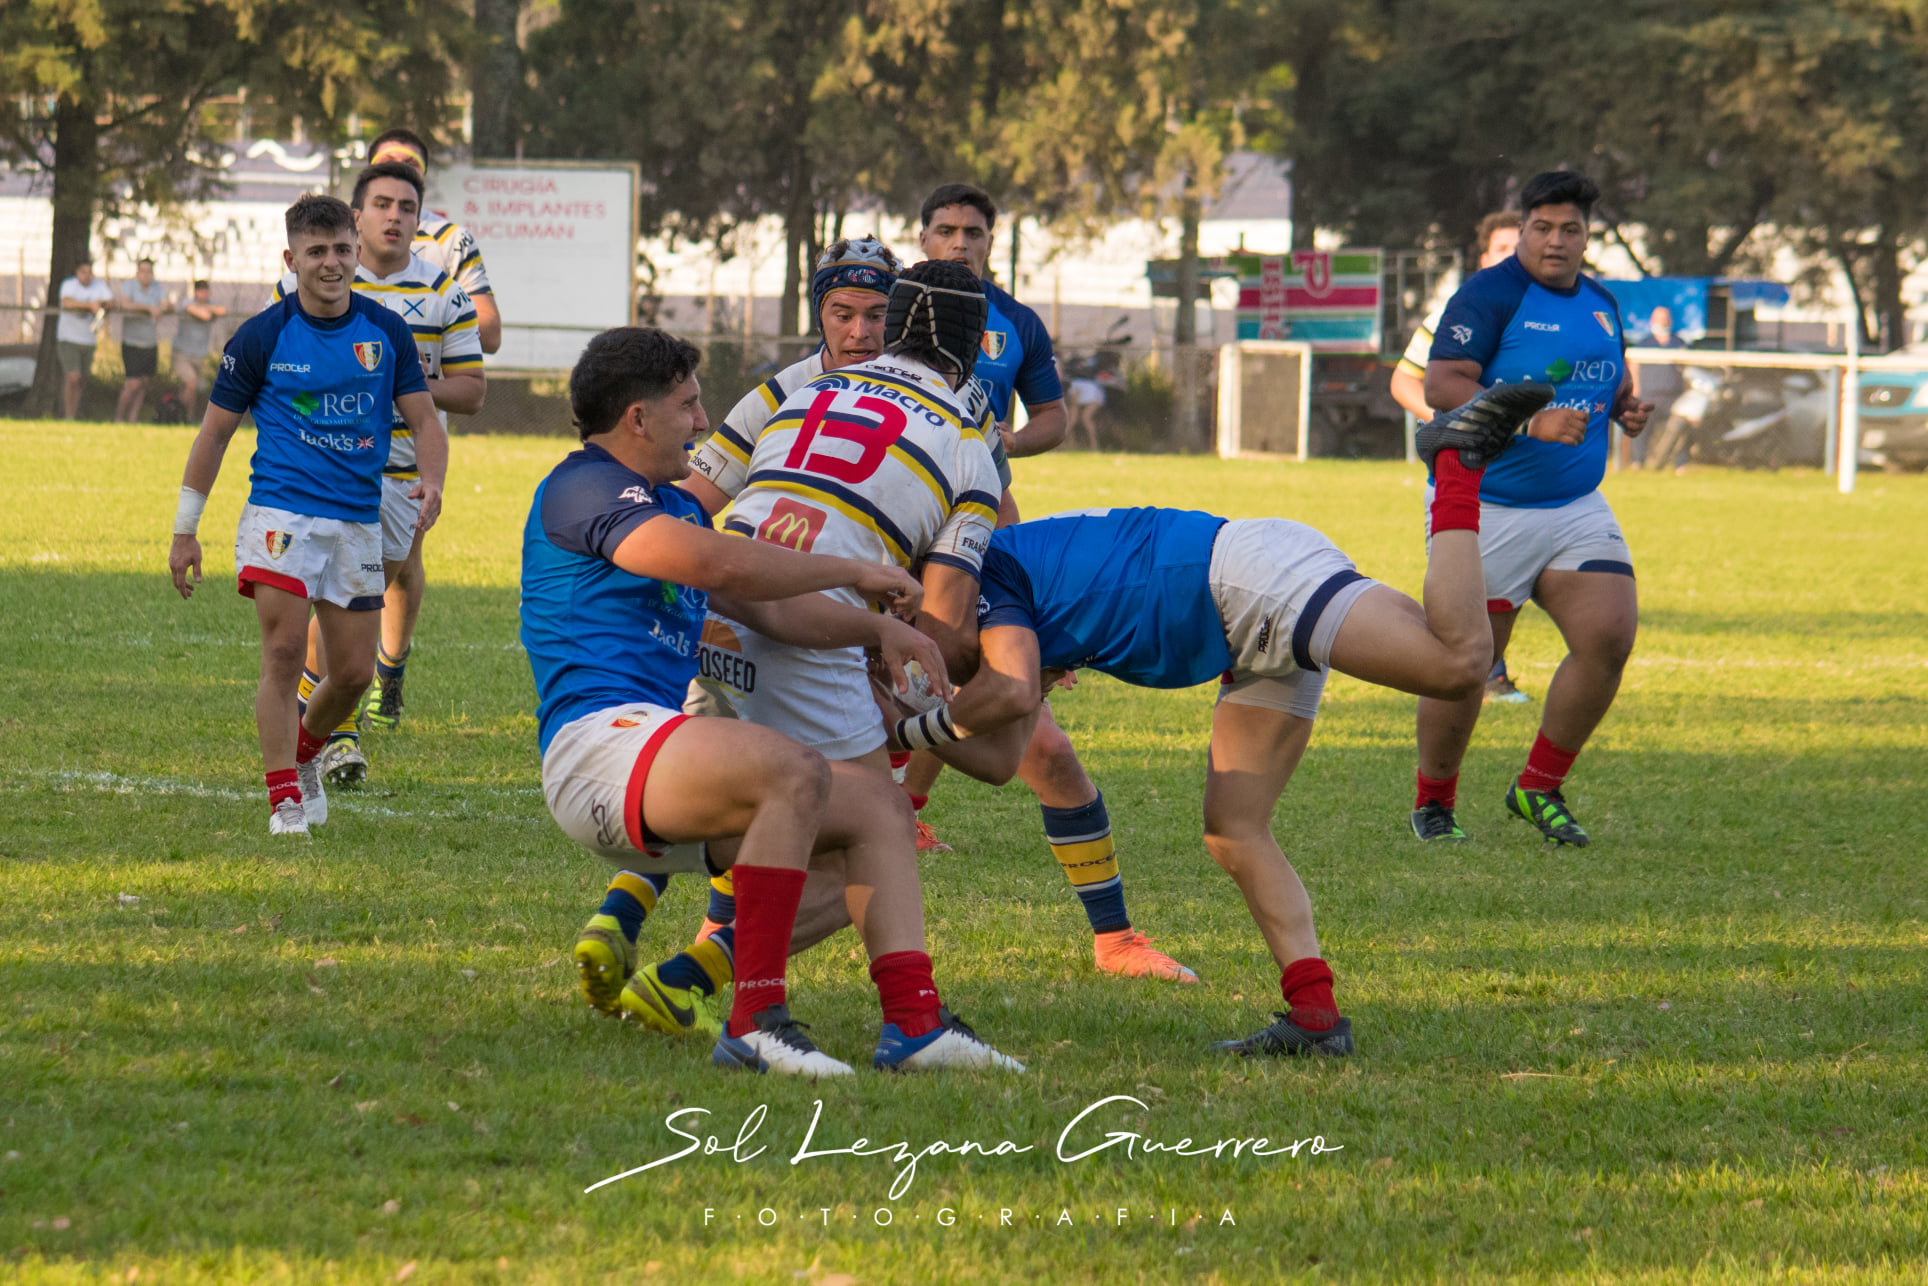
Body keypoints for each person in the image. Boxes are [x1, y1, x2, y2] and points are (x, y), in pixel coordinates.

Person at [880, 384, 1553, 1056]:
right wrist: (906, 726)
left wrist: (894, 728)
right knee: (1234, 829)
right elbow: (1000, 759)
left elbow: (1011, 693)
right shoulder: (983, 600)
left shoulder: (982, 583)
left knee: (1459, 664)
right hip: (1242, 618)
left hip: (1247, 580)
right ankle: (1315, 1017)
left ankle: (1455, 470)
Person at [525, 325, 1020, 1075]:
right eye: (689, 405)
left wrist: (875, 629)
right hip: (599, 748)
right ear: (638, 417)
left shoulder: (679, 508)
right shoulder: (582, 486)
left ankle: (914, 1024)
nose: (701, 421)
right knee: (794, 768)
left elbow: (774, 611)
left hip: (654, 759)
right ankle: (756, 1023)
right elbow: (714, 559)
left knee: (880, 811)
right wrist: (847, 566)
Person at [166, 195, 446, 836]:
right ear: (292, 259)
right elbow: (213, 436)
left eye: (342, 250)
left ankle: (305, 753)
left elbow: (426, 419)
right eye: (316, 252)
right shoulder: (262, 335)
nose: (331, 263)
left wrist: (432, 481)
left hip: (357, 520)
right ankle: (283, 797)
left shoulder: (385, 333)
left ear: (356, 255)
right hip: (280, 514)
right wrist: (186, 528)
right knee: (286, 650)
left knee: (352, 673)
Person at [1408, 171, 1654, 848]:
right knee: (1467, 666)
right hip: (1487, 506)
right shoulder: (1490, 295)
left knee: (1609, 635)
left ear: (1586, 235)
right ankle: (1435, 803)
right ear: (1523, 230)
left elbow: (1609, 373)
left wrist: (1625, 408)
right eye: (1542, 227)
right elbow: (1441, 385)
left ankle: (1537, 786)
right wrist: (1530, 422)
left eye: (1569, 229)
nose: (1555, 240)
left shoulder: (1602, 300)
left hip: (1575, 504)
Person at [279, 163, 486, 786]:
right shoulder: (320, 277)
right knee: (342, 604)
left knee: (356, 608)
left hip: (401, 481)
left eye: (407, 206)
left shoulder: (444, 293)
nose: (394, 216)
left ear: (420, 219)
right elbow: (277, 360)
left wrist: (405, 384)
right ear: (357, 214)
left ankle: (312, 717)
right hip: (324, 473)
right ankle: (337, 735)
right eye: (381, 204)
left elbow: (473, 391)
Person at [1391, 212, 1528, 705]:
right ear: (1485, 257)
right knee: (1470, 577)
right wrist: (1461, 420)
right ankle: (1478, 675)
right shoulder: (1459, 311)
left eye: (1520, 244)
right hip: (1468, 471)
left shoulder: (1557, 315)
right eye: (1502, 247)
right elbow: (1404, 380)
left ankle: (1483, 671)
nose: (1512, 255)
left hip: (1540, 481)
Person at [366, 129, 502, 355]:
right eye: (387, 163)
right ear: (368, 173)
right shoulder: (341, 230)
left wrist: (426, 316)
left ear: (423, 178)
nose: (399, 170)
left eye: (411, 164)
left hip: (428, 387)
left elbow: (491, 336)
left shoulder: (452, 239)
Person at [1629, 305, 1686, 471]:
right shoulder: (1644, 343)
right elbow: (1634, 366)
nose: (1662, 321)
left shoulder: (1678, 343)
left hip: (1673, 396)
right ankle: (1638, 462)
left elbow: (1686, 368)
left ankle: (1680, 465)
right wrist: (1635, 390)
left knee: (1678, 429)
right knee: (1640, 429)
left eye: (1665, 318)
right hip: (1648, 395)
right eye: (1659, 318)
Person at [56, 258, 115, 419]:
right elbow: (67, 303)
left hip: (88, 339)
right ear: (77, 273)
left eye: (90, 272)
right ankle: (68, 415)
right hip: (69, 338)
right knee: (72, 377)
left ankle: (75, 414)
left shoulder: (99, 286)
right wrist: (89, 306)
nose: (87, 276)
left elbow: (110, 301)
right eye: (83, 272)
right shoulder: (69, 285)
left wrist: (103, 306)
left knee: (81, 380)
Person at [116, 258, 170, 423]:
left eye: (149, 272)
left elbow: (165, 304)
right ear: (137, 273)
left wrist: (160, 308)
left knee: (144, 383)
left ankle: (133, 418)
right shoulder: (129, 286)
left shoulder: (157, 287)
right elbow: (125, 304)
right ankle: (118, 417)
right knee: (133, 384)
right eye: (143, 271)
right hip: (132, 342)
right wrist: (148, 308)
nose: (146, 275)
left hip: (150, 343)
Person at [171, 281, 229, 421]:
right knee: (191, 383)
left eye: (206, 291)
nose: (204, 294)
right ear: (196, 292)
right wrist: (207, 310)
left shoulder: (211, 303)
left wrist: (206, 308)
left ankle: (184, 417)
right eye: (201, 291)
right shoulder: (187, 302)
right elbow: (203, 315)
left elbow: (222, 310)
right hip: (182, 353)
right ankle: (183, 417)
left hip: (199, 355)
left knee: (189, 388)